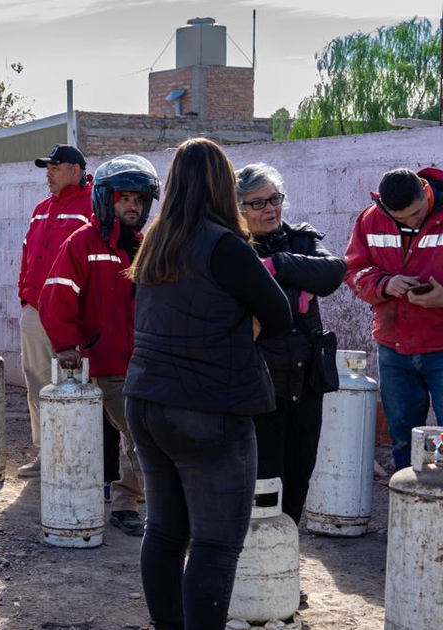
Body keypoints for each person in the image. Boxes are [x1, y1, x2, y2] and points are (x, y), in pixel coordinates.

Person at [125, 138, 292, 630]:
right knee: (216, 545)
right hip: (207, 409)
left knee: (165, 532)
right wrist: (248, 324)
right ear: (224, 185)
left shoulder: (156, 239)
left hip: (148, 402)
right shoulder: (224, 244)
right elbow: (280, 314)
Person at [40, 154, 160, 537]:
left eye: (139, 201)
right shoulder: (83, 242)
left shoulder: (147, 246)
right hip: (104, 363)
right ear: (106, 199)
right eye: (125, 198)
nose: (132, 207)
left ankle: (125, 503)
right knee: (145, 435)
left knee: (136, 434)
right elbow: (55, 298)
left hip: (144, 362)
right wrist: (68, 346)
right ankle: (166, 513)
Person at [237, 163, 346, 522]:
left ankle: (284, 559)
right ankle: (256, 567)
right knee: (263, 482)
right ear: (239, 208)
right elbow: (244, 302)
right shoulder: (234, 248)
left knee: (299, 479)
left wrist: (278, 264)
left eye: (275, 199)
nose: (270, 209)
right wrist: (298, 290)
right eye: (257, 203)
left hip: (305, 380)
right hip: (259, 385)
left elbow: (332, 272)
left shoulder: (300, 239)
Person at [344, 166, 443, 470]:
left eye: (416, 213)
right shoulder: (370, 219)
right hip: (393, 347)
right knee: (401, 436)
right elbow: (353, 270)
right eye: (403, 219)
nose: (412, 222)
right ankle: (405, 506)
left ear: (425, 191)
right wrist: (384, 284)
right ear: (386, 207)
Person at [17, 144, 93, 477]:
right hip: (35, 311)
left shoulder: (92, 206)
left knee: (76, 385)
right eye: (47, 168)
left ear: (75, 170)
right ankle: (45, 453)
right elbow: (26, 255)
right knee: (38, 382)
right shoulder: (40, 209)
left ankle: (76, 456)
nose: (48, 174)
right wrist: (25, 296)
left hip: (72, 315)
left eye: (55, 167)